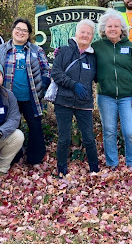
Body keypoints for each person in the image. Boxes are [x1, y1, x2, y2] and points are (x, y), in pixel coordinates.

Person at [0, 18, 51, 164]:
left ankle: (34, 159)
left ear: (29, 34)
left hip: (32, 97)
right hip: (7, 97)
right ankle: (13, 158)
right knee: (11, 128)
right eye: (18, 29)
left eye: (25, 30)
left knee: (35, 127)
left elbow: (46, 71)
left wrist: (43, 83)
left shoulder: (37, 50)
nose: (21, 32)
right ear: (13, 30)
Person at [92, 9, 132, 168]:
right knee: (109, 132)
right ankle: (112, 163)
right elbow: (86, 64)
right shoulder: (96, 47)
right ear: (103, 28)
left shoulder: (130, 47)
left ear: (122, 28)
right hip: (106, 97)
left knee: (130, 132)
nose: (113, 29)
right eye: (109, 26)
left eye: (116, 26)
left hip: (128, 97)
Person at [52, 19, 99, 176]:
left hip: (84, 103)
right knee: (64, 137)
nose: (85, 35)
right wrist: (74, 85)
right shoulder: (64, 51)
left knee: (89, 138)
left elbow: (100, 77)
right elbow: (56, 73)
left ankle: (94, 169)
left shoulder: (93, 57)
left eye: (89, 33)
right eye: (82, 32)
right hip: (63, 101)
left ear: (92, 36)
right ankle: (61, 170)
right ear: (76, 33)